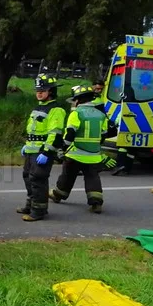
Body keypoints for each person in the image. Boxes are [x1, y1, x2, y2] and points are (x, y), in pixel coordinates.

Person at [48, 85, 116, 213]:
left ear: (78, 100)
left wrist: (62, 149)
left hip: (75, 154)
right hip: (94, 155)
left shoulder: (76, 114)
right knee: (92, 177)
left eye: (74, 100)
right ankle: (96, 203)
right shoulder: (101, 115)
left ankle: (58, 194)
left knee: (67, 175)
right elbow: (103, 135)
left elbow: (69, 134)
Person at [17, 74, 66, 222]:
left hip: (42, 151)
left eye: (43, 90)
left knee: (38, 179)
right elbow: (32, 130)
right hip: (31, 150)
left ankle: (39, 210)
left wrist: (46, 151)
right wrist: (26, 145)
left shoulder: (56, 110)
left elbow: (55, 134)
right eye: (38, 90)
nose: (39, 92)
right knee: (28, 177)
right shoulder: (39, 107)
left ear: (50, 91)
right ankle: (31, 205)